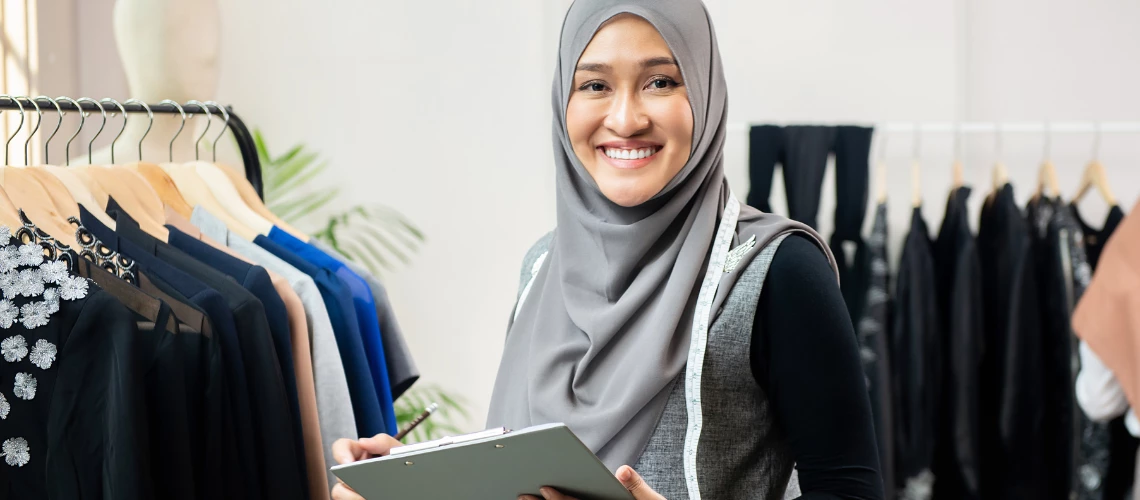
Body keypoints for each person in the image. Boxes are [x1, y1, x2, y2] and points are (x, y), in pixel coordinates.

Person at [332, 1, 883, 498]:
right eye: (594, 85)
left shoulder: (777, 272)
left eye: (661, 81)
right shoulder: (542, 268)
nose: (625, 119)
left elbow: (850, 492)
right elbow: (525, 473)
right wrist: (412, 483)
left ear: (706, 92)